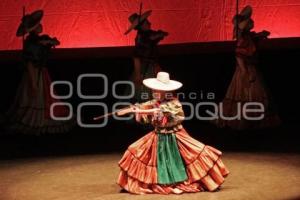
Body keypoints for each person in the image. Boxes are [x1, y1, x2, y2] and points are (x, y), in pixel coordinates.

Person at [117, 72, 229, 194]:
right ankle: (153, 182)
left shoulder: (173, 103)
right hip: (158, 136)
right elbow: (146, 113)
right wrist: (135, 110)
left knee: (194, 154)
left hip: (174, 135)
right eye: (154, 90)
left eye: (158, 90)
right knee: (134, 150)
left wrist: (147, 110)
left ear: (166, 91)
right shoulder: (153, 103)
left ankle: (191, 180)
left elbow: (166, 113)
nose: (155, 93)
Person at [5, 10, 75, 134]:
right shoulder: (31, 43)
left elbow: (55, 42)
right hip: (33, 70)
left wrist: (48, 42)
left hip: (40, 71)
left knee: (42, 94)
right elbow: (29, 59)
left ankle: (42, 116)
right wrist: (43, 43)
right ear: (34, 28)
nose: (41, 26)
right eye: (38, 25)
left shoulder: (41, 39)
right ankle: (34, 118)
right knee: (34, 92)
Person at [213, 5, 281, 130]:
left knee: (253, 93)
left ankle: (253, 118)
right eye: (249, 23)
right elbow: (239, 55)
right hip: (246, 69)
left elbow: (253, 41)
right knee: (244, 93)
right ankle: (246, 119)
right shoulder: (243, 40)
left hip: (250, 67)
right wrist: (245, 71)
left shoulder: (249, 37)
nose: (251, 24)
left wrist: (260, 35)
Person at [124, 10, 168, 102]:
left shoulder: (146, 36)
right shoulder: (142, 37)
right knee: (145, 93)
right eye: (147, 22)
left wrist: (160, 34)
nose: (149, 23)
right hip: (145, 69)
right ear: (142, 25)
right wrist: (137, 74)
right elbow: (136, 57)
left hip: (150, 67)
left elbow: (156, 36)